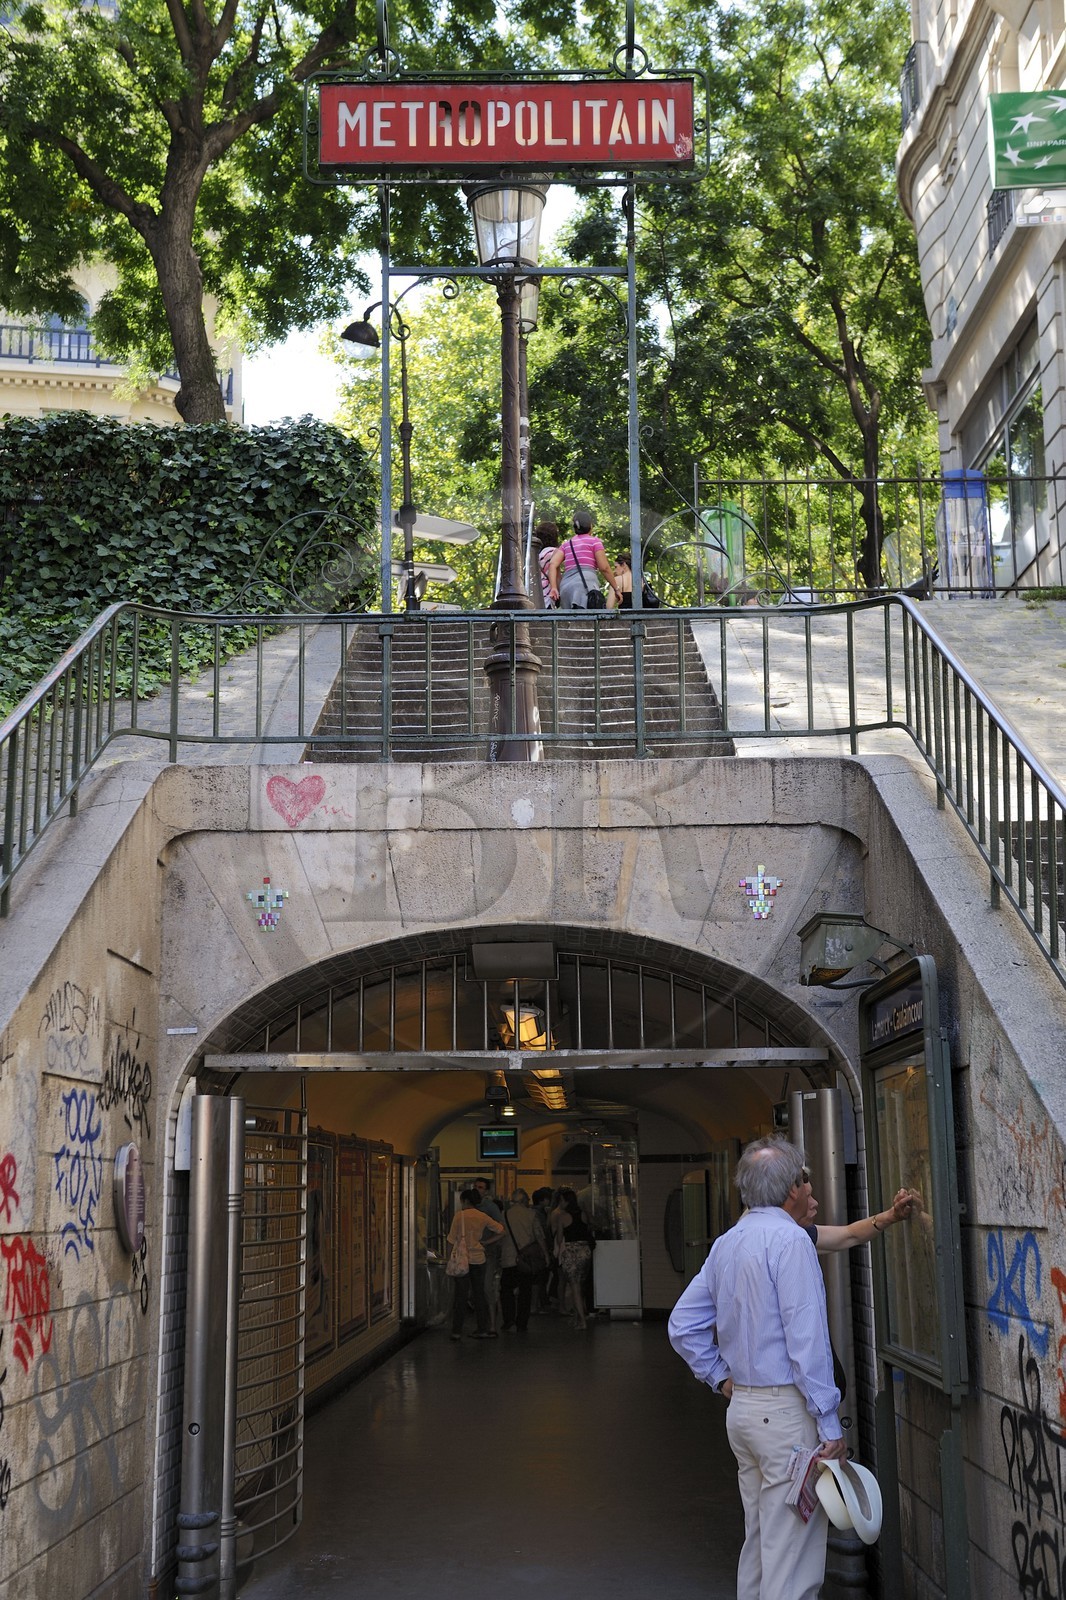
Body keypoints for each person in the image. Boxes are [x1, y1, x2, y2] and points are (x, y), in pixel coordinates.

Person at [668, 1138, 846, 1600]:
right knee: (793, 1553)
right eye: (804, 1180)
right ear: (790, 1188)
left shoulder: (728, 1242)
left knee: (761, 1542)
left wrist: (721, 1378)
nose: (810, 1190)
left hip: (743, 1412)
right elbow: (806, 1343)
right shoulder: (790, 1240)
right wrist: (829, 1422)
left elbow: (682, 1325)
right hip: (786, 1415)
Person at [448, 1188, 504, 1340]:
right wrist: (486, 1242)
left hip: (462, 1260)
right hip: (479, 1259)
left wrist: (450, 1258)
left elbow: (451, 1239)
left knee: (461, 1296)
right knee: (479, 1295)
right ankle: (482, 1328)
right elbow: (501, 1230)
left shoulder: (459, 1216)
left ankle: (456, 1331)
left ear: (465, 1201)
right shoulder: (483, 1216)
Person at [546, 511, 619, 610]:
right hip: (585, 586)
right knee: (587, 622)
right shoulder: (595, 542)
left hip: (566, 588)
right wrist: (616, 588)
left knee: (571, 622)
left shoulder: (567, 545)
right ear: (590, 526)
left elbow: (553, 564)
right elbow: (604, 567)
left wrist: (554, 587)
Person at [500, 1188, 548, 1332]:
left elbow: (500, 1236)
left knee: (506, 1290)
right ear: (524, 1200)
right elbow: (539, 1236)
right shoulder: (531, 1214)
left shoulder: (504, 1215)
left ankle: (508, 1319)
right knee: (525, 1291)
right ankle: (522, 1322)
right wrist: (545, 1254)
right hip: (526, 1260)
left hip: (508, 1258)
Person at [552, 1186, 596, 1330]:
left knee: (574, 1286)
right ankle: (578, 1318)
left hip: (571, 1252)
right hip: (585, 1250)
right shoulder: (584, 1213)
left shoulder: (562, 1216)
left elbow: (559, 1239)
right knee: (581, 1285)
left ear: (566, 1201)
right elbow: (591, 1227)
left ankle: (582, 1321)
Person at [474, 1177, 504, 1332]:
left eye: (480, 1187)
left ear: (486, 1191)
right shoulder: (469, 1207)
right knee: (477, 1290)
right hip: (473, 1254)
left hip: (487, 1254)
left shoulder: (490, 1207)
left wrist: (488, 1242)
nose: (477, 1189)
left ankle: (492, 1325)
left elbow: (501, 1229)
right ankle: (483, 1324)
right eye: (476, 1187)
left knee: (487, 1288)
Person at [536, 520, 560, 608]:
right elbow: (557, 577)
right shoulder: (555, 553)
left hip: (537, 592)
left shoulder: (536, 554)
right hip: (548, 593)